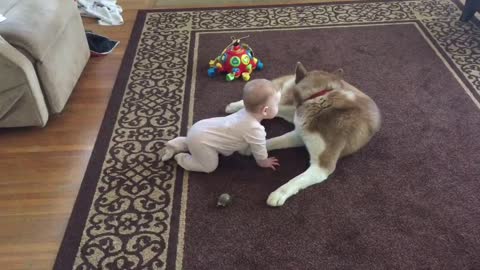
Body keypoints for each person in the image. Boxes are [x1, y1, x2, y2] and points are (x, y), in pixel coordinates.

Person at [160, 79, 280, 173]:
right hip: (202, 141)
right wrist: (264, 162)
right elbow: (259, 150)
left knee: (193, 141)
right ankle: (182, 158)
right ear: (265, 111)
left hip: (200, 128)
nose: (278, 106)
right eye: (277, 104)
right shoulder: (255, 130)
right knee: (208, 167)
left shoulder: (244, 111)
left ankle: (177, 144)